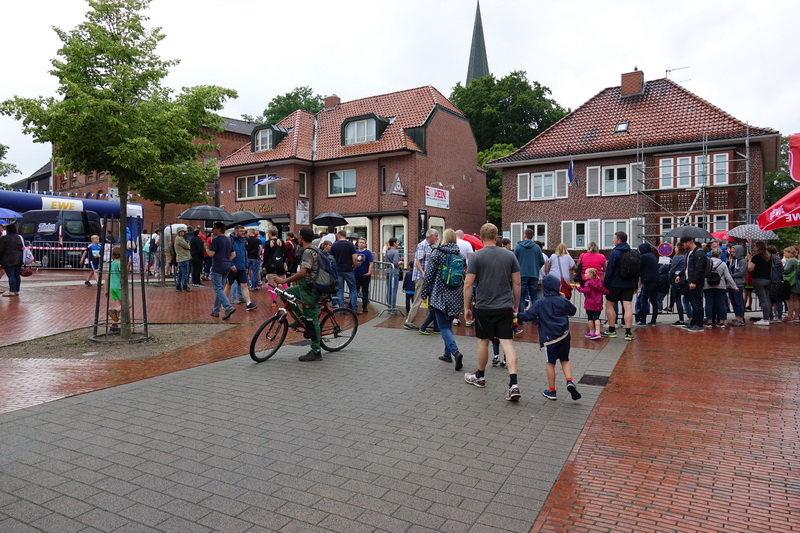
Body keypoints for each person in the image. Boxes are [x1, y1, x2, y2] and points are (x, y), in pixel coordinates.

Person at [463, 223, 522, 402]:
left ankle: (480, 376)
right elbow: (517, 283)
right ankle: (513, 384)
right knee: (507, 344)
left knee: (483, 342)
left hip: (484, 307)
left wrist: (466, 307)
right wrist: (516, 305)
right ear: (496, 237)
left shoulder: (476, 257)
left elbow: (468, 283)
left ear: (481, 238)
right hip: (504, 306)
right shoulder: (509, 255)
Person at [519, 275, 582, 401]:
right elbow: (573, 311)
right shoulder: (562, 300)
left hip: (550, 338)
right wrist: (564, 298)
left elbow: (528, 316)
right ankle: (569, 381)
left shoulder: (540, 302)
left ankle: (552, 390)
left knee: (551, 363)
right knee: (565, 360)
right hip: (564, 335)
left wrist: (517, 315)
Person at [270, 227, 324, 361]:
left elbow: (303, 273)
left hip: (310, 289)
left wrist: (285, 280)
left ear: (301, 237)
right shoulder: (314, 249)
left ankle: (316, 351)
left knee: (312, 320)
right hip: (304, 286)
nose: (297, 238)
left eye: (298, 236)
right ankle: (300, 319)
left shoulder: (308, 252)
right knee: (285, 294)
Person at [420, 229, 465, 369]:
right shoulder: (460, 255)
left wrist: (424, 293)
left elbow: (429, 276)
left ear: (444, 239)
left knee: (443, 327)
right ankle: (447, 354)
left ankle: (455, 352)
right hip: (456, 295)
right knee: (448, 324)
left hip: (440, 294)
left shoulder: (437, 253)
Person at [601, 232, 638, 341]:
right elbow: (636, 270)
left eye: (614, 238)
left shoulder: (615, 252)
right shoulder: (633, 252)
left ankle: (612, 330)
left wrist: (605, 284)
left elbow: (610, 270)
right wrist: (635, 285)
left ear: (619, 240)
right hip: (629, 284)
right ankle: (628, 332)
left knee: (609, 305)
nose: (613, 240)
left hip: (615, 283)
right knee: (628, 306)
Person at [404, 229, 438, 329]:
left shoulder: (431, 246)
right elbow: (418, 261)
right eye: (436, 236)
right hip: (421, 278)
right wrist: (422, 272)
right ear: (430, 236)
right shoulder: (422, 245)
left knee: (428, 300)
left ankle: (429, 322)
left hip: (428, 278)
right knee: (418, 299)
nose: (437, 238)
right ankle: (408, 321)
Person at [204, 221, 236, 320]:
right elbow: (233, 254)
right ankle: (216, 310)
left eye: (214, 228)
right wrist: (227, 260)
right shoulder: (229, 240)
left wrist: (206, 247)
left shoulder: (216, 240)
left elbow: (211, 254)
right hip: (226, 266)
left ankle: (228, 307)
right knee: (220, 288)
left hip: (217, 266)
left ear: (219, 229)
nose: (212, 230)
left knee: (218, 289)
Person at [678, 235, 708, 332]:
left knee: (697, 303)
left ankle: (699, 324)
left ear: (688, 242)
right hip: (689, 281)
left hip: (695, 283)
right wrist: (680, 275)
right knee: (693, 303)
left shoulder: (699, 253)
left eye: (683, 244)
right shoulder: (690, 253)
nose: (682, 246)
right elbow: (687, 267)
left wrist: (694, 282)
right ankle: (694, 323)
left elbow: (699, 269)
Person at [513, 228, 545, 314]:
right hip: (534, 274)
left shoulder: (518, 247)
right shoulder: (537, 247)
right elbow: (542, 261)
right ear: (532, 236)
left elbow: (514, 261)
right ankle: (535, 315)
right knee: (534, 297)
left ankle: (520, 316)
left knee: (521, 297)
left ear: (524, 235)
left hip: (521, 275)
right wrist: (536, 267)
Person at [703, 247, 737, 327]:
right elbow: (728, 277)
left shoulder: (707, 263)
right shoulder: (723, 264)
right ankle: (722, 321)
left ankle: (709, 321)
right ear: (720, 255)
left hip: (708, 285)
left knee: (708, 303)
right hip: (720, 285)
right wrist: (734, 286)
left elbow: (703, 274)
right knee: (722, 303)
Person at [225, 225, 256, 311]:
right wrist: (231, 264)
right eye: (241, 231)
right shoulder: (230, 240)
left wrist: (245, 265)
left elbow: (244, 254)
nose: (243, 233)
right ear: (236, 232)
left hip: (241, 267)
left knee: (244, 285)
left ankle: (249, 303)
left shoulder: (243, 241)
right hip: (233, 267)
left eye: (244, 231)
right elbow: (227, 254)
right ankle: (225, 303)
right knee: (229, 285)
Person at [576, 268, 608, 339]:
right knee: (597, 318)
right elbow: (604, 291)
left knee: (590, 318)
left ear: (591, 274)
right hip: (598, 303)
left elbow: (586, 291)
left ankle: (591, 332)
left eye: (586, 273)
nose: (585, 275)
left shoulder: (588, 283)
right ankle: (598, 332)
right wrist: (608, 291)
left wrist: (579, 288)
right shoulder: (599, 282)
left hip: (589, 303)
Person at [330, 230, 358, 310]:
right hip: (348, 269)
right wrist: (354, 265)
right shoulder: (350, 244)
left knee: (340, 290)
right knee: (353, 289)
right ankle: (354, 308)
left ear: (338, 235)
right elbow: (355, 257)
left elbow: (331, 258)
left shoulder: (334, 245)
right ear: (345, 235)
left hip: (338, 269)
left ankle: (341, 308)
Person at [634, 242, 659, 326]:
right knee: (654, 301)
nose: (638, 251)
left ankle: (643, 320)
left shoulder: (644, 257)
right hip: (656, 280)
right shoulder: (652, 256)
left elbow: (639, 268)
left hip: (648, 281)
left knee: (643, 300)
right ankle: (653, 320)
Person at [748, 241, 772, 326]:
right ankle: (768, 317)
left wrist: (749, 259)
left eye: (755, 246)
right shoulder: (768, 257)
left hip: (758, 279)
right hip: (767, 279)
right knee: (767, 299)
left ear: (758, 247)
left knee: (763, 300)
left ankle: (765, 319)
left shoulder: (756, 257)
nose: (753, 248)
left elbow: (750, 268)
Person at [0, 223, 23, 297]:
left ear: (8, 230)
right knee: (16, 275)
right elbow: (22, 247)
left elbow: (1, 249)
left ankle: (12, 291)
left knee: (11, 275)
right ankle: (16, 290)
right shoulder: (18, 237)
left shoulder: (4, 239)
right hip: (19, 259)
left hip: (8, 259)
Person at [726, 244, 747, 326]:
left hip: (738, 283)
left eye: (734, 252)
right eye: (731, 252)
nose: (732, 253)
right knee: (733, 301)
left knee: (739, 301)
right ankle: (737, 317)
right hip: (731, 284)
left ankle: (741, 318)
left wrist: (730, 276)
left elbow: (741, 272)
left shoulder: (743, 261)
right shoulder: (732, 260)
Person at [669, 248, 689, 326]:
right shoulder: (687, 256)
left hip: (677, 279)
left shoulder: (677, 257)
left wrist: (670, 280)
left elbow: (672, 269)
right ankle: (690, 317)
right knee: (688, 300)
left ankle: (681, 319)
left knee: (678, 299)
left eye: (676, 247)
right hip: (686, 279)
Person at [354, 237, 373, 314]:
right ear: (358, 243)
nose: (361, 244)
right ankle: (353, 304)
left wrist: (369, 272)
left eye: (363, 243)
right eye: (360, 242)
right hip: (356, 274)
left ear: (365, 244)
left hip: (365, 274)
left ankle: (364, 306)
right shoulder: (355, 252)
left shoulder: (368, 252)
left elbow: (371, 262)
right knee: (356, 290)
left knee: (365, 290)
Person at [105, 246, 123, 325]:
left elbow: (106, 277)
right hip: (119, 287)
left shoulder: (112, 263)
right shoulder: (119, 263)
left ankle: (114, 323)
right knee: (128, 304)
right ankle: (113, 311)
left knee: (118, 305)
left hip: (112, 287)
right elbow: (124, 274)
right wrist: (128, 266)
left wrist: (106, 289)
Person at [782, 246, 800, 322]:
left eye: (785, 252)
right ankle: (796, 316)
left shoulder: (790, 260)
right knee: (796, 299)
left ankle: (789, 315)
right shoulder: (796, 260)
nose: (784, 254)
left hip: (790, 281)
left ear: (790, 253)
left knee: (790, 299)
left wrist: (783, 267)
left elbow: (786, 270)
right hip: (797, 281)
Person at [384, 237, 402, 313]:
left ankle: (389, 306)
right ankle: (393, 307)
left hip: (388, 271)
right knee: (394, 291)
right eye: (397, 242)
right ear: (394, 243)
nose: (398, 244)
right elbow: (395, 263)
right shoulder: (396, 251)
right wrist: (400, 263)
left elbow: (386, 261)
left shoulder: (387, 251)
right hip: (394, 272)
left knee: (389, 290)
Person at [174, 226, 191, 292]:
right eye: (181, 231)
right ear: (178, 232)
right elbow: (187, 246)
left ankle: (178, 286)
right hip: (183, 258)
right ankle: (185, 287)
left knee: (180, 274)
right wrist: (188, 244)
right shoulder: (180, 239)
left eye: (183, 231)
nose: (182, 233)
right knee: (185, 274)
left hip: (180, 258)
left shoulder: (178, 238)